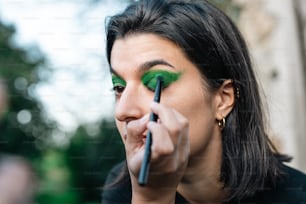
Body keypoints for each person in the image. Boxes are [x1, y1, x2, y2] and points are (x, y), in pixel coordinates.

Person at [102, 0, 306, 203]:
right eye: (119, 88)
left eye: (156, 82)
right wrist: (151, 197)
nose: (123, 110)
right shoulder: (123, 190)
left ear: (223, 99)